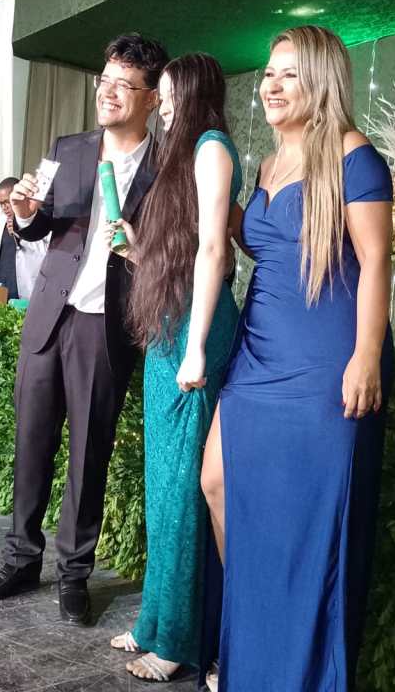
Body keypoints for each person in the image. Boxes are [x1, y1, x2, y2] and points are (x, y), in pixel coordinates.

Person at [200, 26, 395, 691]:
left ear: (322, 82)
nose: (272, 86)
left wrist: (366, 354)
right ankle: (258, 640)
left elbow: (376, 261)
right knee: (219, 484)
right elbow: (268, 245)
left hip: (324, 358)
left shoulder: (353, 156)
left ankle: (295, 670)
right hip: (259, 350)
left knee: (312, 521)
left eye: (290, 74)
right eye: (268, 74)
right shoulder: (265, 165)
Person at [0, 33, 168, 625]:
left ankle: (74, 574)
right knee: (31, 442)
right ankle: (19, 561)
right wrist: (23, 212)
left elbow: (172, 251)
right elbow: (39, 225)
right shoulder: (69, 148)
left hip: (106, 327)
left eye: (124, 84)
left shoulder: (167, 167)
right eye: (105, 80)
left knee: (89, 453)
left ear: (152, 98)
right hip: (49, 315)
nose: (108, 92)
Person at [101, 53, 242, 682]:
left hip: (194, 332)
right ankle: (156, 620)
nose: (160, 105)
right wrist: (135, 249)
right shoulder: (179, 159)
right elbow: (180, 260)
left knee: (184, 489)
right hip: (170, 328)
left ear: (192, 92)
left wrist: (196, 347)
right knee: (162, 488)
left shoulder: (211, 147)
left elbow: (214, 251)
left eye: (166, 94)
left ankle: (180, 641)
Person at [0, 177, 49, 301]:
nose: (4, 207)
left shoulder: (39, 222)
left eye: (7, 202)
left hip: (26, 297)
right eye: (0, 203)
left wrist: (20, 231)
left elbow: (44, 253)